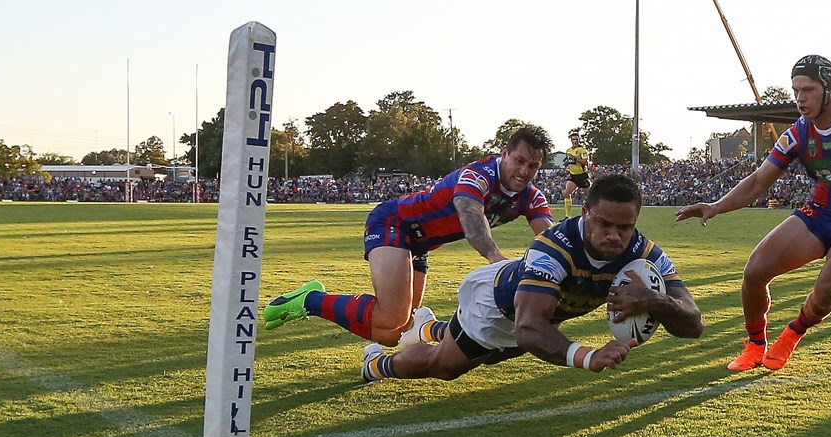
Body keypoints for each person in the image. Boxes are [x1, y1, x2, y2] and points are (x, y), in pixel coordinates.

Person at [361, 174, 702, 381]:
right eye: (604, 224)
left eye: (624, 227)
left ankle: (428, 327)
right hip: (497, 306)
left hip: (535, 316)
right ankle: (379, 363)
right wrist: (587, 356)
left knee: (492, 356)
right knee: (445, 367)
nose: (614, 235)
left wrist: (655, 300)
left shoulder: (645, 252)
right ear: (586, 213)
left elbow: (694, 324)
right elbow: (526, 328)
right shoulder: (554, 248)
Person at [678, 55, 831, 371]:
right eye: (796, 90)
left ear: (828, 88)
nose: (800, 99)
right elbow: (757, 181)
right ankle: (755, 345)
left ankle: (793, 333)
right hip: (819, 213)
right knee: (754, 271)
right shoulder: (798, 133)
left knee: (825, 290)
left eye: (808, 90)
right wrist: (715, 206)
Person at [264, 127, 556, 346]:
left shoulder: (531, 197)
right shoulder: (477, 175)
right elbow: (470, 215)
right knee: (391, 316)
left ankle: (315, 303)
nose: (524, 171)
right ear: (504, 153)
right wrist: (496, 259)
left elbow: (551, 240)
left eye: (533, 166)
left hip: (419, 244)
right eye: (519, 161)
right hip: (394, 222)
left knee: (393, 333)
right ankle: (310, 299)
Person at [560, 132, 591, 218]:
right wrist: (568, 169)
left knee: (590, 196)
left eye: (576, 139)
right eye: (573, 139)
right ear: (571, 140)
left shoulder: (582, 150)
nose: (575, 141)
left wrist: (576, 158)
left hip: (582, 175)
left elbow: (585, 162)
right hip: (573, 175)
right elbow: (571, 163)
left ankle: (591, 213)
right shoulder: (568, 150)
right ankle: (567, 216)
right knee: (566, 193)